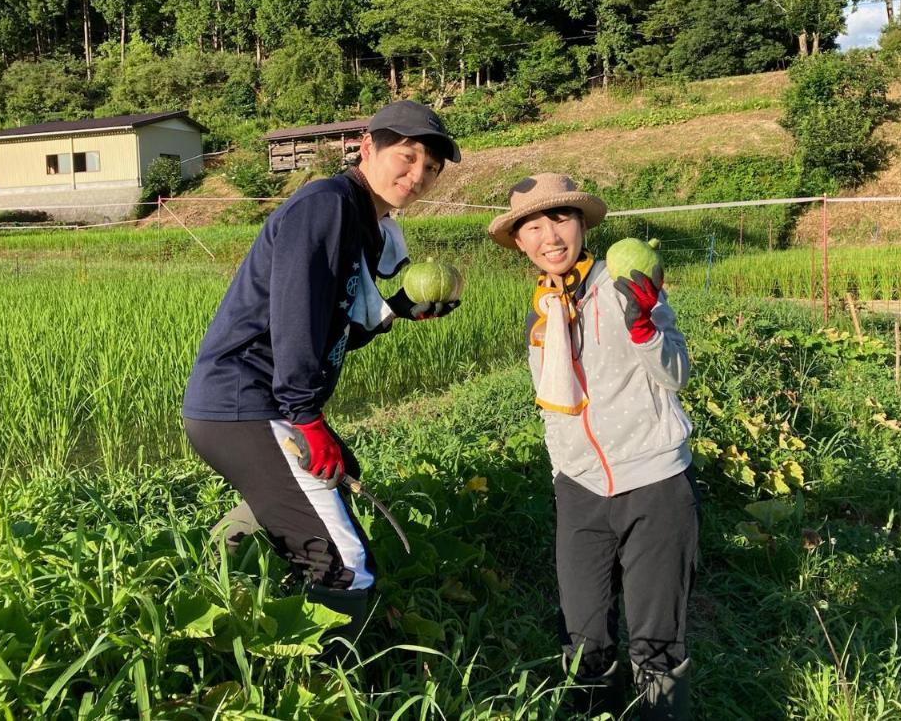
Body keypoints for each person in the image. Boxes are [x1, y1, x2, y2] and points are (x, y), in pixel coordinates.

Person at [182, 100, 461, 638]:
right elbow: (294, 318)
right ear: (366, 147)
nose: (417, 174)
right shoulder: (327, 206)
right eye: (406, 157)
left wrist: (400, 308)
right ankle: (331, 682)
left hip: (252, 403)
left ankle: (215, 577)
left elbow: (332, 329)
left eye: (430, 167)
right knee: (344, 563)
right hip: (245, 402)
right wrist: (307, 416)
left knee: (334, 473)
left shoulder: (362, 221)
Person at [487, 173, 698, 720]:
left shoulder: (626, 284)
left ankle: (659, 710)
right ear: (519, 242)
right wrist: (563, 469)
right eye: (531, 226)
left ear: (581, 224)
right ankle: (594, 711)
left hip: (653, 480)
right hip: (579, 487)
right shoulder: (543, 307)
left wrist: (646, 325)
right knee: (583, 634)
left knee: (657, 637)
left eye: (559, 218)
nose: (548, 236)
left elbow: (676, 374)